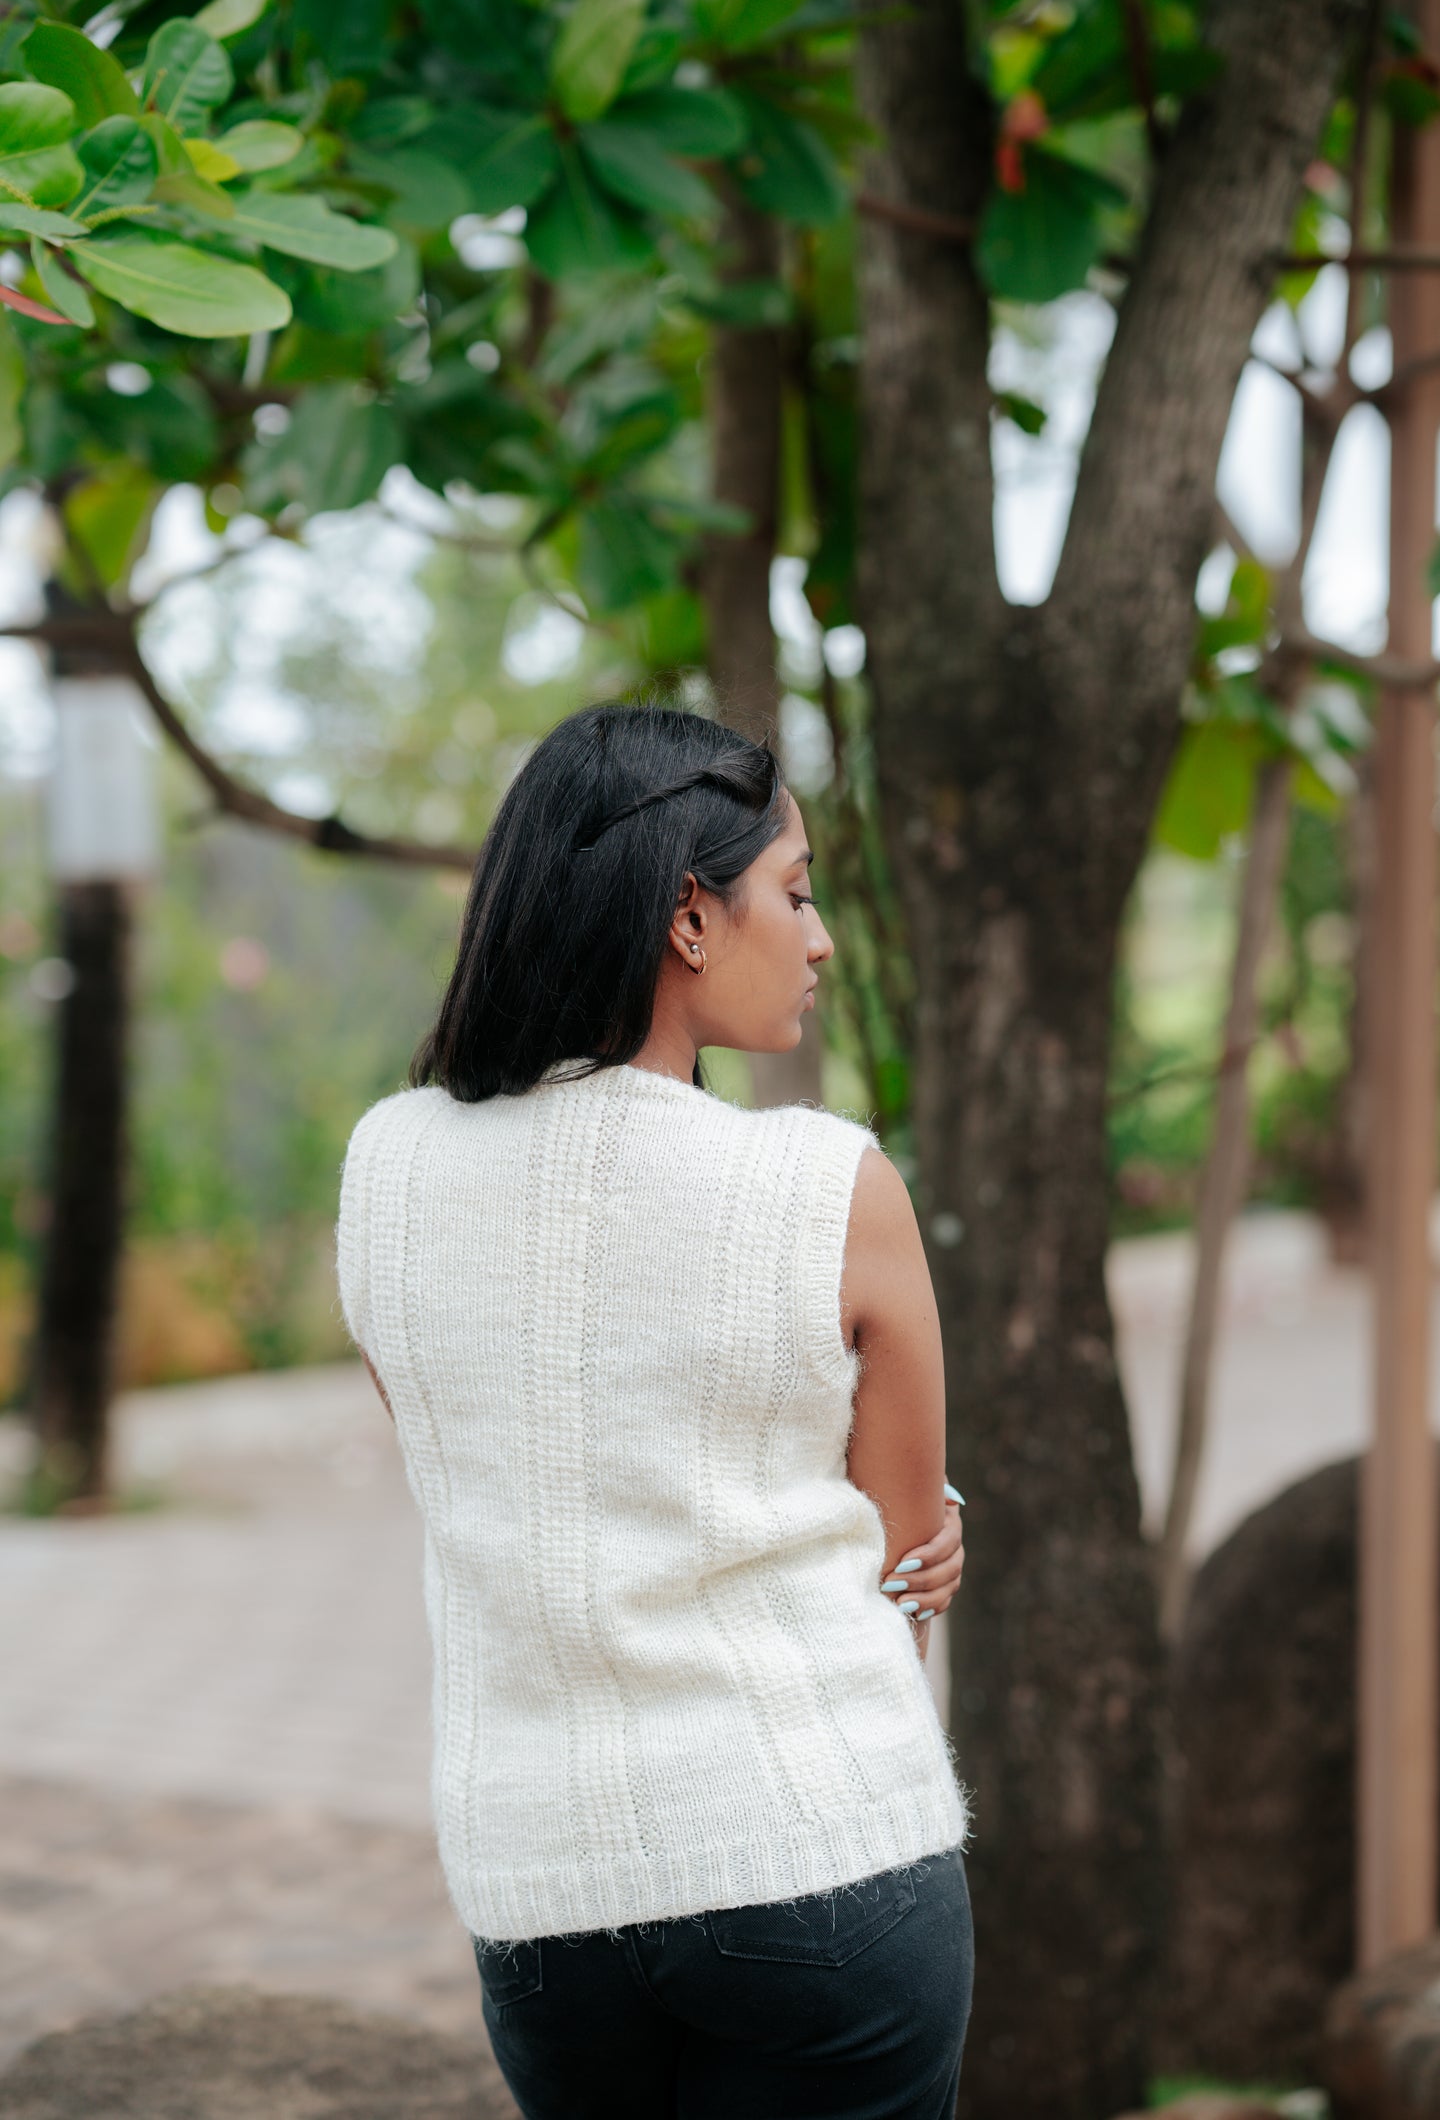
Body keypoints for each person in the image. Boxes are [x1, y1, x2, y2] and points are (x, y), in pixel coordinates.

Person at [335, 702, 972, 2119]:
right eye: (793, 894)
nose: (817, 938)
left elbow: (469, 1463)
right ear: (690, 915)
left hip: (540, 1897)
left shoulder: (387, 1167)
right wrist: (939, 1539)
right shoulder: (823, 1183)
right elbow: (903, 1565)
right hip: (822, 1871)